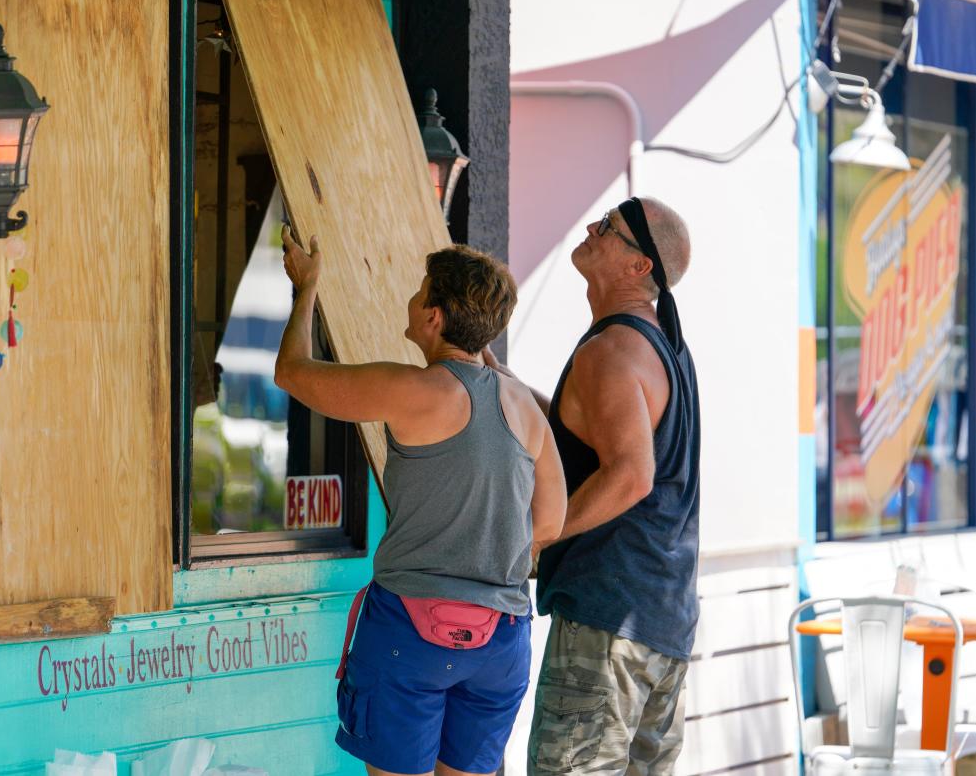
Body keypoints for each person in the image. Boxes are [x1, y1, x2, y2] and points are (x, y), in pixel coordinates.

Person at [274, 227, 567, 776]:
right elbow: (550, 521)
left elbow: (293, 373)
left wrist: (307, 287)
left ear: (434, 317)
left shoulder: (417, 389)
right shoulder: (526, 407)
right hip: (500, 640)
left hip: (411, 630)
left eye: (420, 290)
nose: (411, 299)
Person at [487, 196, 700, 775]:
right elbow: (583, 429)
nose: (589, 227)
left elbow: (630, 475)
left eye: (607, 228)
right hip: (660, 622)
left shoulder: (612, 349)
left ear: (640, 267)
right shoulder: (651, 344)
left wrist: (538, 537)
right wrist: (500, 381)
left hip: (610, 622)